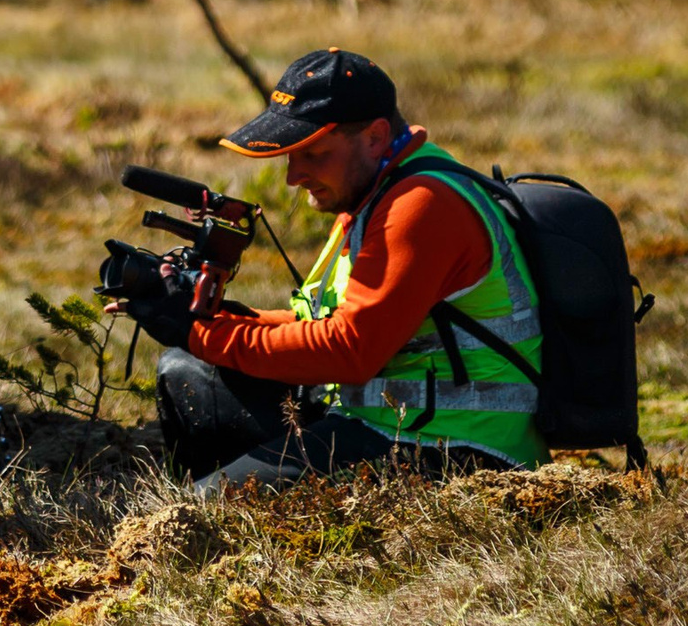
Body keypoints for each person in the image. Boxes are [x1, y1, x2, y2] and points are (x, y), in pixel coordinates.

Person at [106, 48, 545, 490]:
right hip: (388, 425)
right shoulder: (373, 195)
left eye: (313, 154)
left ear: (374, 137)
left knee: (205, 512)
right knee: (188, 370)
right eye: (290, 156)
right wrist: (210, 317)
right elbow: (320, 324)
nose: (292, 177)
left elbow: (349, 352)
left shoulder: (419, 205)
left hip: (460, 450)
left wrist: (200, 332)